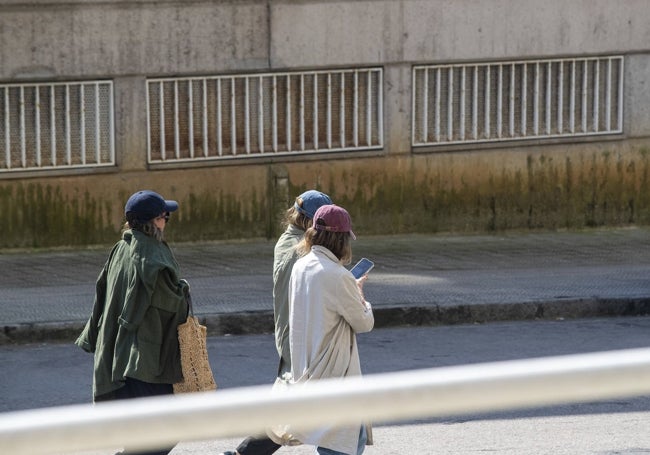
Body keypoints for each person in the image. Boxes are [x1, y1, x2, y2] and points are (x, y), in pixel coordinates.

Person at [75, 190, 190, 455]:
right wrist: (182, 290)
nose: (166, 222)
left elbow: (101, 293)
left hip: (120, 355)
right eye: (165, 217)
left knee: (144, 434)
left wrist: (92, 335)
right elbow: (169, 305)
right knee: (166, 431)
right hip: (145, 359)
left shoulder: (121, 247)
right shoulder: (154, 256)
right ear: (152, 222)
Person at [219, 189, 333, 455]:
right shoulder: (303, 250)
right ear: (308, 221)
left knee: (289, 409)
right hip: (301, 335)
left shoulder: (287, 240)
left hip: (293, 331)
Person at [285, 204, 374, 455]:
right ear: (341, 239)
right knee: (341, 443)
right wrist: (359, 293)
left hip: (308, 367)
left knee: (330, 440)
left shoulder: (300, 266)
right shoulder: (339, 276)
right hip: (335, 373)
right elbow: (363, 322)